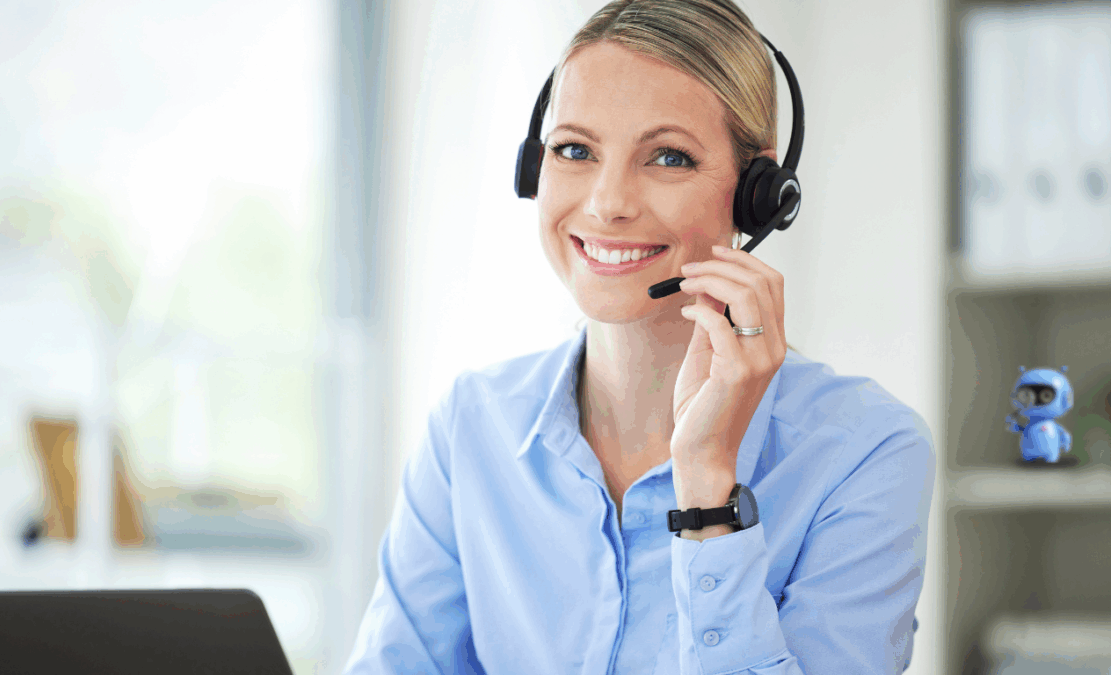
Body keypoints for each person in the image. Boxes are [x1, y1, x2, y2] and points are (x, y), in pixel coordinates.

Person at [343, 0, 935, 673]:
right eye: (574, 149)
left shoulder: (865, 452)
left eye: (668, 157)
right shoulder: (470, 430)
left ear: (759, 193)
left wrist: (709, 486)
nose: (607, 202)